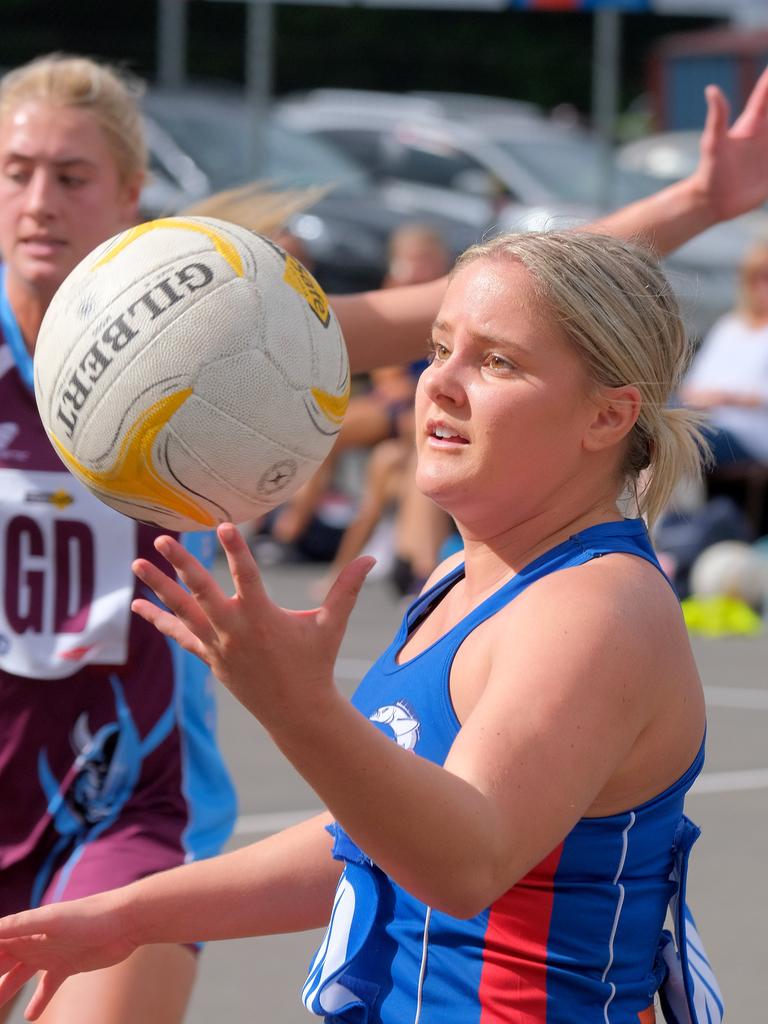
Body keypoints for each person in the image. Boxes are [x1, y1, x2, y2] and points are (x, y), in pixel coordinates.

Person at [2, 60, 768, 1024]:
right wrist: (127, 916)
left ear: (609, 416)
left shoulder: (597, 607)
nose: (436, 382)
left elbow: (464, 860)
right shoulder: (467, 577)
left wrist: (300, 707)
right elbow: (365, 842)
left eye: (495, 362)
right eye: (439, 347)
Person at [0, 53, 242, 1024]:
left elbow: (399, 317)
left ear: (132, 192)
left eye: (71, 175)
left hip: (124, 798)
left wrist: (688, 204)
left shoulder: (196, 342)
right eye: (16, 171)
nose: (38, 200)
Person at [681, 239, 768, 467]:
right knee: (655, 429)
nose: (762, 286)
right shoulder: (729, 326)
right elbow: (694, 383)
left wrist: (729, 397)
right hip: (709, 421)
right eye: (757, 277)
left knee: (675, 439)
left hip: (749, 434)